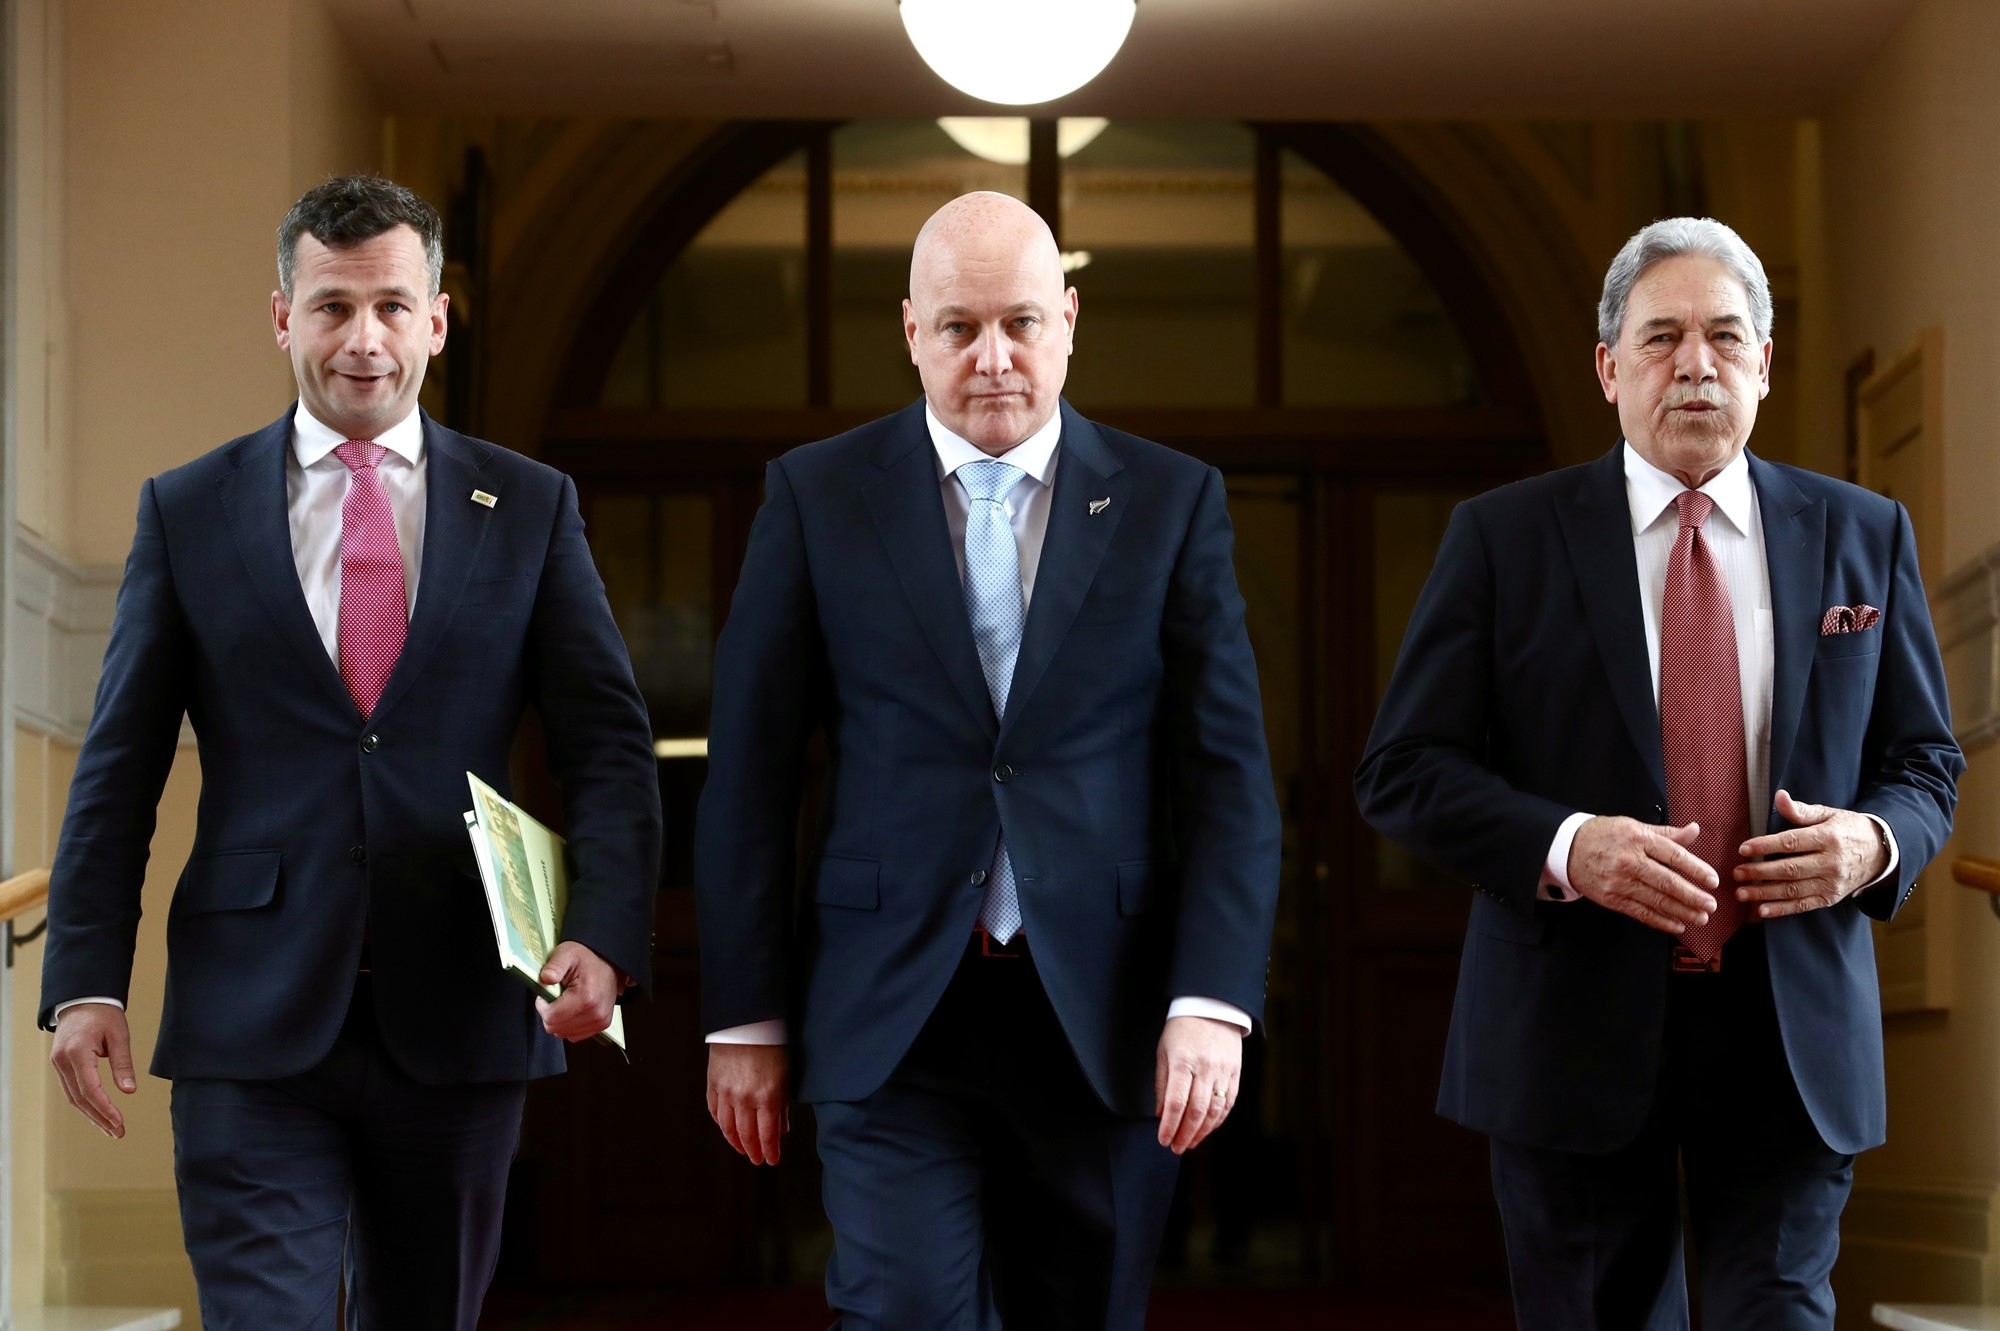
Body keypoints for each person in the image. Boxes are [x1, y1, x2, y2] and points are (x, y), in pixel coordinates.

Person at [38, 175, 661, 1331]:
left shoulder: (527, 506)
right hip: (250, 1017)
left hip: (463, 1006)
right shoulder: (188, 509)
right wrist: (86, 976)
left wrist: (606, 935)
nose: (361, 339)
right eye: (331, 306)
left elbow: (608, 747)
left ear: (435, 319)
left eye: (389, 305)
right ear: (282, 316)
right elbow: (118, 761)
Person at [1355, 217, 1962, 1329]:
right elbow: (1401, 769)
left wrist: (1868, 842)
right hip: (1569, 1027)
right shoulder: (1502, 537)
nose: (1695, 364)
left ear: (1763, 364)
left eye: (1725, 337)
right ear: (1607, 367)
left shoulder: (1862, 531)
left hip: (1790, 1030)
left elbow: (1923, 762)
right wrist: (1565, 846)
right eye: (1661, 337)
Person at [695, 191, 1282, 1330]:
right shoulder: (817, 496)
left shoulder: (1170, 501)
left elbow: (1227, 776)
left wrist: (1209, 997)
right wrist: (745, 1015)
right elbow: (752, 774)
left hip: (1103, 1012)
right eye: (958, 328)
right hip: (889, 1006)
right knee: (904, 1307)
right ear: (908, 330)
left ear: (1068, 319)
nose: (993, 357)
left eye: (1019, 321)